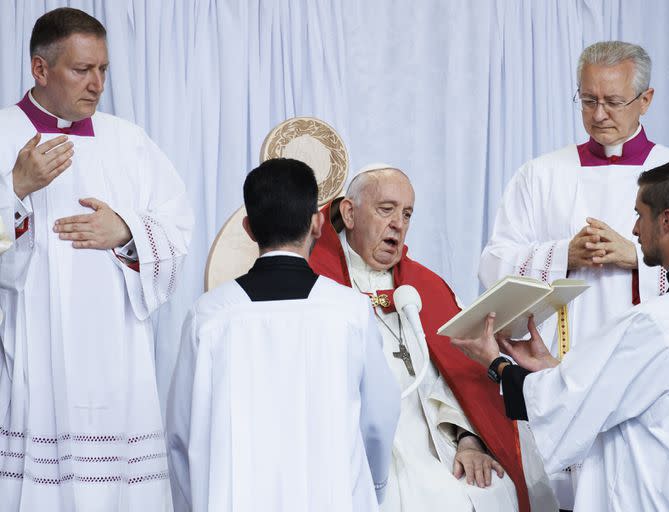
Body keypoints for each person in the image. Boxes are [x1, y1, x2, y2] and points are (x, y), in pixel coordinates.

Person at [477, 41, 669, 508]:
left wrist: (636, 258)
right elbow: (494, 265)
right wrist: (564, 255)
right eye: (587, 100)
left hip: (656, 381)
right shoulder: (540, 175)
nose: (599, 114)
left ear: (646, 99)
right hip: (561, 360)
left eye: (613, 101)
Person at [454, 159, 669, 511]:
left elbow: (560, 406)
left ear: (667, 221)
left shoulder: (659, 321)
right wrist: (552, 368)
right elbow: (667, 404)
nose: (634, 229)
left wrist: (496, 363)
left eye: (639, 215)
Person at [0, 8, 193, 510]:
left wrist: (128, 232)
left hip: (118, 354)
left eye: (103, 70)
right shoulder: (3, 135)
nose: (97, 84)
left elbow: (177, 229)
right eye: (81, 70)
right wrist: (15, 190)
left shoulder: (127, 141)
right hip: (35, 348)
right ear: (40, 70)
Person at [309, 164, 558, 512]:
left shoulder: (426, 287)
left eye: (407, 214)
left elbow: (459, 377)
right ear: (349, 213)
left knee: (495, 490)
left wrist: (469, 440)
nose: (398, 223)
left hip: (439, 436)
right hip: (366, 445)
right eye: (386, 209)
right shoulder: (316, 288)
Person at [166, 158, 401, 512]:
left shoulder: (210, 315)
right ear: (318, 223)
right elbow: (379, 420)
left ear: (248, 228)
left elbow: (181, 437)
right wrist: (373, 488)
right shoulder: (349, 311)